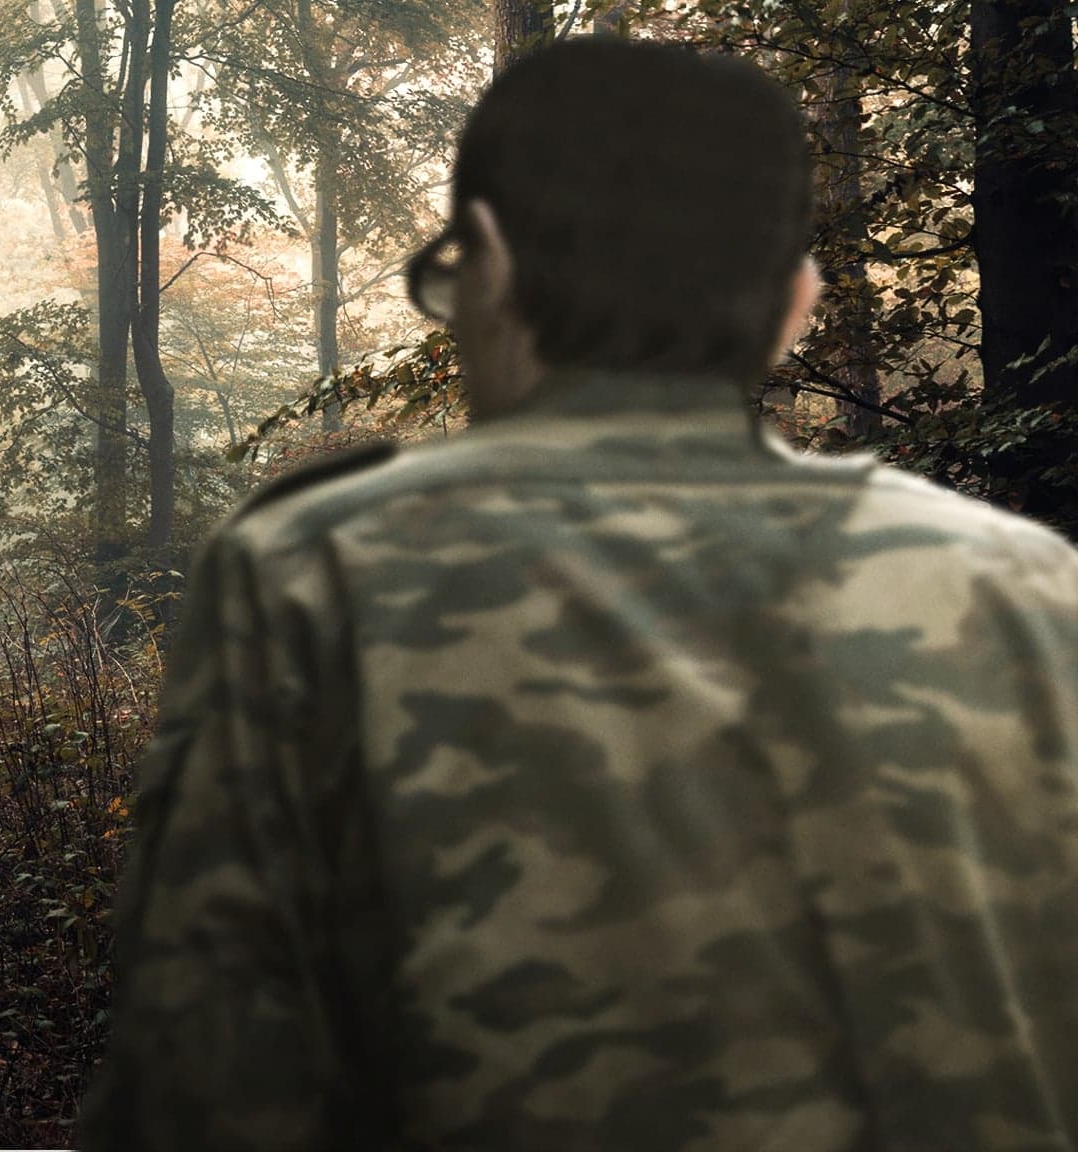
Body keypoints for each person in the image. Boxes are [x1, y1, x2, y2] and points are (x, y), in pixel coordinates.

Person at [79, 37, 1078, 1152]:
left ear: (488, 260)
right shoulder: (1029, 590)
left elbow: (202, 1094)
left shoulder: (317, 573)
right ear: (795, 301)